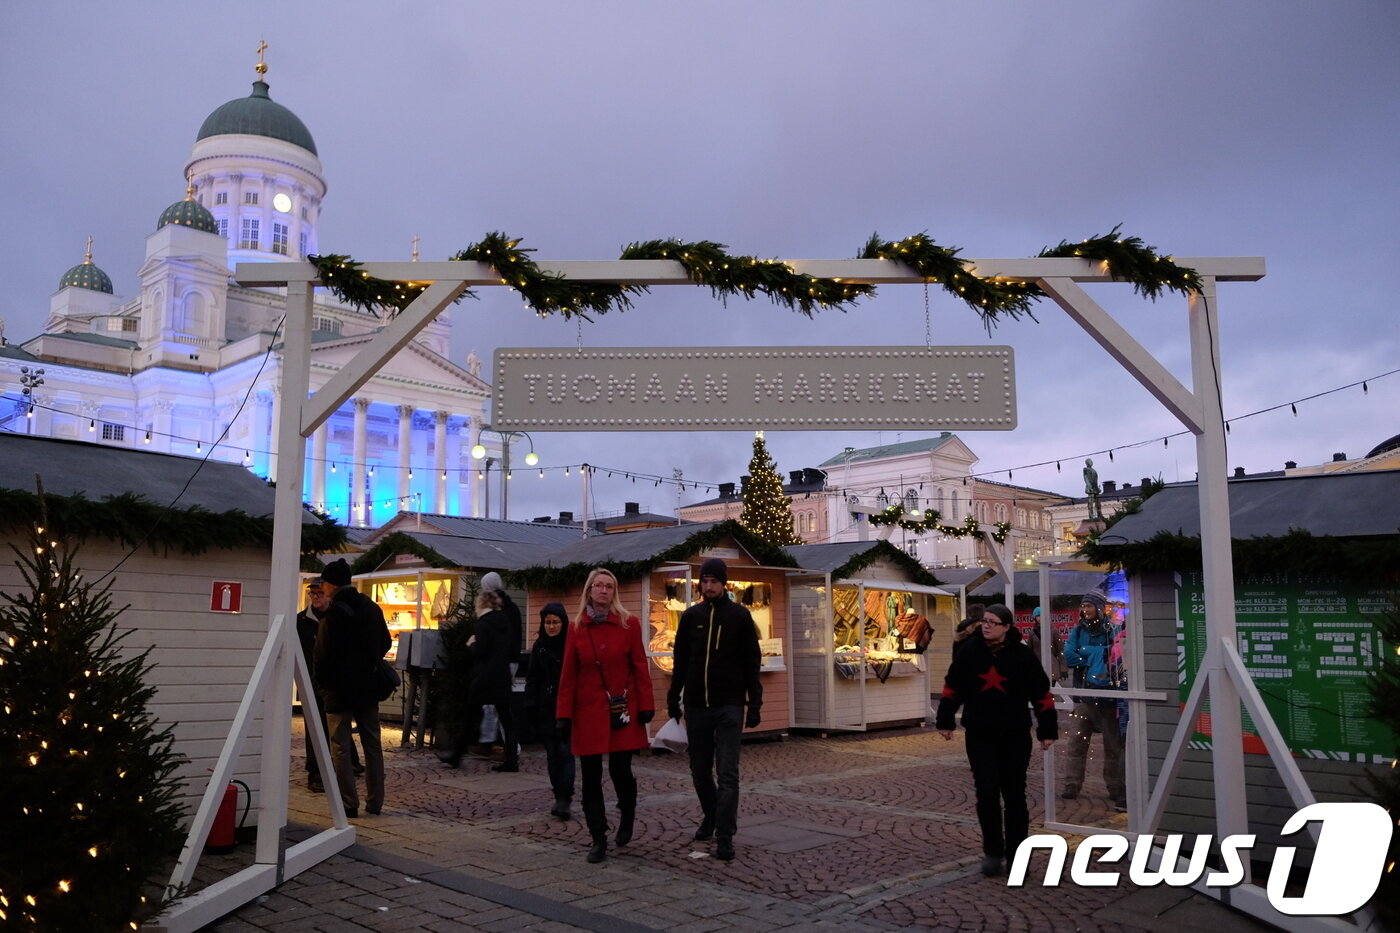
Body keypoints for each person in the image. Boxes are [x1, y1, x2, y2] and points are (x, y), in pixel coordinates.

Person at [936, 604, 1057, 877]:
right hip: (980, 734)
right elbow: (953, 685)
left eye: (992, 622)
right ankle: (993, 852)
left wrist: (1047, 730)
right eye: (984, 621)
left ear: (1006, 627)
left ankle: (1017, 857)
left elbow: (1041, 693)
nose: (986, 626)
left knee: (1015, 795)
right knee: (986, 792)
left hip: (1014, 734)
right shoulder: (970, 651)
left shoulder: (1023, 656)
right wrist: (945, 719)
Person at [666, 557, 763, 863]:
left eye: (713, 581)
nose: (708, 586)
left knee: (728, 773)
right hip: (696, 705)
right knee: (698, 771)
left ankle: (725, 835)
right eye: (704, 581)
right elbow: (680, 660)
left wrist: (754, 701)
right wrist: (673, 696)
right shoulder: (690, 616)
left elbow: (752, 661)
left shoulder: (739, 616)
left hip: (729, 705)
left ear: (724, 583)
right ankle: (711, 815)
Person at [556, 568, 655, 863]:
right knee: (590, 777)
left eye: (608, 586)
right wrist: (563, 714)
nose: (603, 590)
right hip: (588, 712)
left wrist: (646, 704)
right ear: (589, 590)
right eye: (598, 586)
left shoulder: (629, 624)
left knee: (621, 771)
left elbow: (640, 665)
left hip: (621, 709)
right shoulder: (576, 628)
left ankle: (627, 813)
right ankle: (598, 836)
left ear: (614, 592)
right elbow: (568, 675)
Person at [314, 558, 391, 818]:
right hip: (367, 688)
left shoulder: (333, 613)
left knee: (340, 746)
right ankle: (375, 801)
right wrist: (368, 662)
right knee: (372, 744)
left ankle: (349, 803)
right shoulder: (371, 607)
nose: (322, 587)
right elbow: (386, 642)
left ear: (331, 583)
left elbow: (322, 656)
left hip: (339, 691)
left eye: (323, 582)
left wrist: (323, 686)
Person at [439, 571, 522, 771]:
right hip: (502, 673)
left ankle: (457, 755)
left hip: (485, 676)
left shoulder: (484, 624)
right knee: (506, 719)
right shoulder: (506, 619)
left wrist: (471, 644)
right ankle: (511, 759)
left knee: (471, 716)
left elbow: (482, 652)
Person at [1062, 588, 1125, 809]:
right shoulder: (1077, 630)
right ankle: (1072, 784)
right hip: (1084, 696)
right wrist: (1098, 654)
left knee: (1113, 745)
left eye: (1089, 605)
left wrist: (1086, 652)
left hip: (1108, 697)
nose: (1085, 610)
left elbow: (1117, 654)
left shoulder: (1112, 629)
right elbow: (1069, 655)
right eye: (1083, 606)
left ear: (1098, 607)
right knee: (1076, 743)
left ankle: (1116, 787)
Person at [296, 578, 358, 792]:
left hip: (335, 683)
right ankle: (315, 773)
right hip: (312, 682)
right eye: (312, 594)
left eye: (319, 593)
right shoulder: (301, 621)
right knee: (315, 727)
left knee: (339, 725)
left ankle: (350, 762)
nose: (315, 597)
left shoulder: (336, 618)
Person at [525, 601, 575, 819]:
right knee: (552, 755)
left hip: (566, 707)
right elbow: (533, 677)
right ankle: (558, 795)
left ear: (563, 623)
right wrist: (530, 704)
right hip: (546, 706)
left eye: (555, 622)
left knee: (565, 752)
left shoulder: (570, 645)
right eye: (548, 622)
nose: (552, 626)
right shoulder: (540, 646)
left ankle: (565, 797)